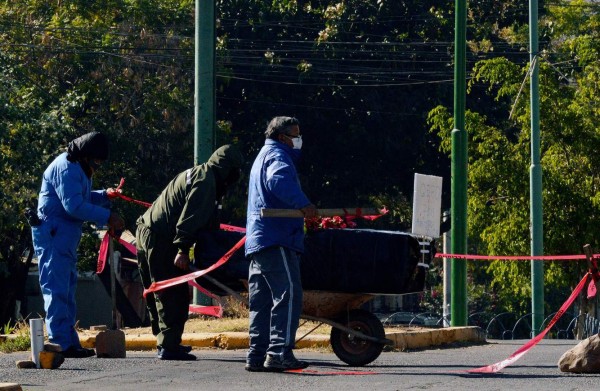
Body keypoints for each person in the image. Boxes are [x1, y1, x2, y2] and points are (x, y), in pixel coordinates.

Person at [136, 144, 244, 361]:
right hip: (161, 239)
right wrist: (183, 249)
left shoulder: (200, 174)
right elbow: (190, 219)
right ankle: (168, 345)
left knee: (160, 290)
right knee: (170, 292)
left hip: (150, 233)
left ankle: (166, 341)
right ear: (227, 169)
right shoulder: (206, 183)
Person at [31, 131, 125, 358]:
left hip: (64, 236)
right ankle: (61, 343)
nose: (98, 166)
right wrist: (108, 216)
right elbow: (74, 205)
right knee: (56, 289)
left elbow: (81, 196)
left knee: (67, 288)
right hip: (54, 235)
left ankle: (68, 342)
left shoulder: (78, 167)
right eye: (96, 161)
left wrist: (105, 195)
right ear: (85, 155)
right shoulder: (66, 167)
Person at [245, 116, 317, 372]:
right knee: (288, 293)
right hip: (277, 237)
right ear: (282, 137)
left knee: (261, 302)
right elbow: (278, 181)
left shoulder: (262, 155)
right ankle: (279, 352)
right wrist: (303, 204)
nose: (298, 140)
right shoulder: (278, 156)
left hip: (259, 240)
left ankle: (256, 355)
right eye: (295, 135)